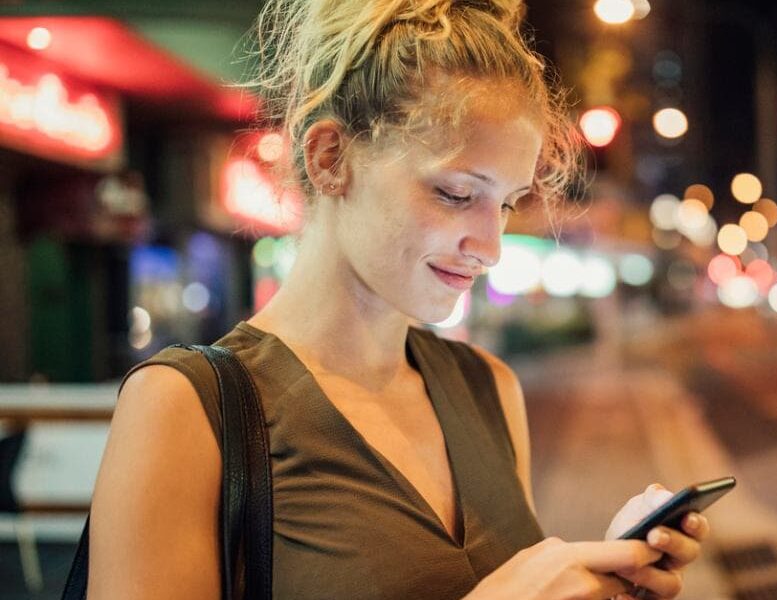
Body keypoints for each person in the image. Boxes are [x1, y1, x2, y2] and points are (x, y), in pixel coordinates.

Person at [85, 0, 710, 598]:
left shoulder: (489, 388)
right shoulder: (188, 407)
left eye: (509, 203)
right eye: (456, 194)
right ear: (331, 158)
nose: (490, 246)